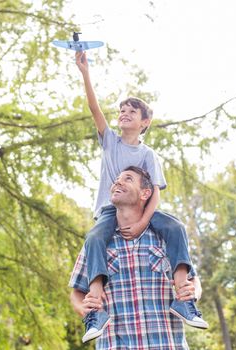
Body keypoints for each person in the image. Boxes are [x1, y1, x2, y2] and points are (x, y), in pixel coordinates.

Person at [75, 50, 208, 343]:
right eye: (121, 110)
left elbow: (154, 195)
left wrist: (141, 224)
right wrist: (85, 73)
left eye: (132, 112)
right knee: (95, 237)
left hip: (144, 212)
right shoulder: (109, 142)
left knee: (175, 228)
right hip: (111, 211)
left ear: (144, 122)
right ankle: (95, 311)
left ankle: (184, 299)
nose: (124, 114)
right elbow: (94, 109)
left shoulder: (147, 155)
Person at [69, 166, 202, 348]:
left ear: (145, 193)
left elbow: (193, 280)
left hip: (167, 344)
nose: (118, 181)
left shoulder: (167, 237)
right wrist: (83, 308)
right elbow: (77, 292)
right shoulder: (96, 243)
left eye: (128, 179)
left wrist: (192, 292)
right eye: (117, 178)